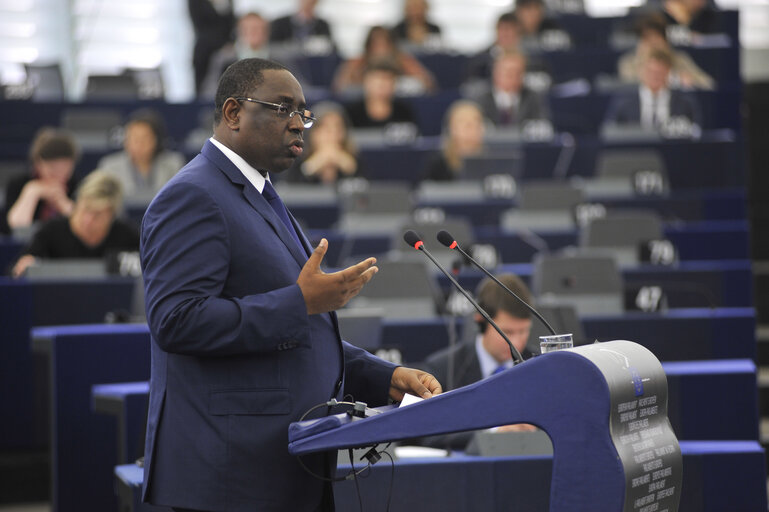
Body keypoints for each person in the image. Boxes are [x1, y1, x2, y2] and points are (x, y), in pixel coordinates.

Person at [139, 58, 441, 511]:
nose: (300, 123)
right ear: (233, 113)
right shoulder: (193, 195)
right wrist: (300, 301)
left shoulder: (261, 195)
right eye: (283, 108)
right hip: (229, 477)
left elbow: (302, 332)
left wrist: (384, 377)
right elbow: (177, 321)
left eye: (304, 111)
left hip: (286, 463)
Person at [415, 273, 537, 450]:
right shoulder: (444, 368)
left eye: (523, 331)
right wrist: (494, 433)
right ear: (480, 321)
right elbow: (429, 434)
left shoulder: (540, 364)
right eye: (508, 332)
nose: (517, 343)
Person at [12, 170, 139, 278]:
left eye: (98, 215)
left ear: (112, 215)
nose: (88, 220)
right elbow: (15, 273)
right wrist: (25, 266)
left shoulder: (127, 236)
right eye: (85, 209)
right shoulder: (50, 231)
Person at [604, 48, 702, 131]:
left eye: (659, 72)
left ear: (669, 71)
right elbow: (610, 132)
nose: (655, 76)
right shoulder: (623, 102)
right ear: (640, 71)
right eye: (650, 71)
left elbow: (695, 133)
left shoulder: (685, 103)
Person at [4, 127, 79, 234]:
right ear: (38, 164)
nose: (59, 175)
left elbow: (86, 231)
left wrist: (64, 205)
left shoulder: (78, 186)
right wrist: (31, 193)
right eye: (53, 169)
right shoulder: (18, 184)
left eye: (65, 169)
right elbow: (15, 230)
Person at [97, 110, 185, 199]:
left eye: (144, 139)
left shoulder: (173, 164)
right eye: (133, 138)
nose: (139, 144)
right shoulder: (109, 166)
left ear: (156, 140)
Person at [618, 13, 714, 90]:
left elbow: (708, 84)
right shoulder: (629, 63)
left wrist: (690, 81)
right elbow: (628, 88)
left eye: (656, 38)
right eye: (647, 39)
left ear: (665, 41)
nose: (653, 44)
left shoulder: (679, 59)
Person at [332, 25, 436, 95]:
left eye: (385, 45)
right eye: (376, 45)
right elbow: (339, 88)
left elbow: (428, 84)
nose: (381, 51)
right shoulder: (357, 62)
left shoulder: (403, 60)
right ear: (368, 46)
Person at [285, 102, 362, 184]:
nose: (333, 135)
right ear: (313, 134)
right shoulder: (295, 161)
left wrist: (349, 167)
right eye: (326, 129)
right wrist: (314, 165)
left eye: (338, 129)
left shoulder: (356, 160)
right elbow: (290, 191)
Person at [199, 12, 272, 98]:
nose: (254, 33)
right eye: (249, 29)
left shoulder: (280, 59)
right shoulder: (224, 58)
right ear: (240, 32)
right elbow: (209, 91)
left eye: (258, 29)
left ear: (266, 33)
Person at [471, 51, 550, 128]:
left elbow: (541, 125)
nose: (513, 77)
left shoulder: (533, 98)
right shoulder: (480, 99)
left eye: (518, 72)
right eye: (508, 72)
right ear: (495, 73)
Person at [422, 100, 486, 181]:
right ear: (452, 128)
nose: (473, 130)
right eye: (467, 125)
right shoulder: (438, 164)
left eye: (477, 125)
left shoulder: (490, 159)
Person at [343, 61, 419, 129]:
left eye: (386, 82)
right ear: (365, 83)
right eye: (377, 83)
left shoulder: (403, 112)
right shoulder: (351, 113)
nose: (381, 88)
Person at [188, 0, 235, 94]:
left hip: (226, 50)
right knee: (202, 88)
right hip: (205, 51)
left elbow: (231, 23)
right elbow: (199, 25)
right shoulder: (195, 2)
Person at [269, 0, 334, 46]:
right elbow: (272, 46)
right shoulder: (280, 23)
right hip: (285, 62)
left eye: (311, 2)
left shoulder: (322, 25)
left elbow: (330, 46)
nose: (307, 4)